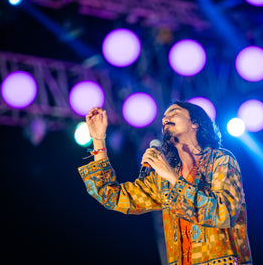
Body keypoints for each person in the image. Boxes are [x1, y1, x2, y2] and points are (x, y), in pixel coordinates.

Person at [78, 101, 252, 265]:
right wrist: (98, 139)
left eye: (174, 113)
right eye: (163, 119)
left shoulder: (220, 160)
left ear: (195, 123)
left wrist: (173, 178)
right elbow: (111, 195)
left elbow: (223, 213)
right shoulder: (163, 180)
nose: (165, 119)